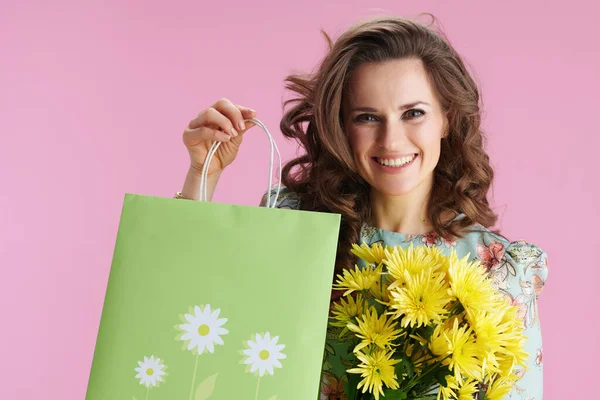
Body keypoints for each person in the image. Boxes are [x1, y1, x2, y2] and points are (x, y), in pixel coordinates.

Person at [175, 15, 548, 400]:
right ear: (343, 127)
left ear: (447, 118)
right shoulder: (294, 224)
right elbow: (196, 320)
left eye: (413, 113)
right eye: (367, 117)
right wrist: (203, 172)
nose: (391, 140)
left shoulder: (500, 270)